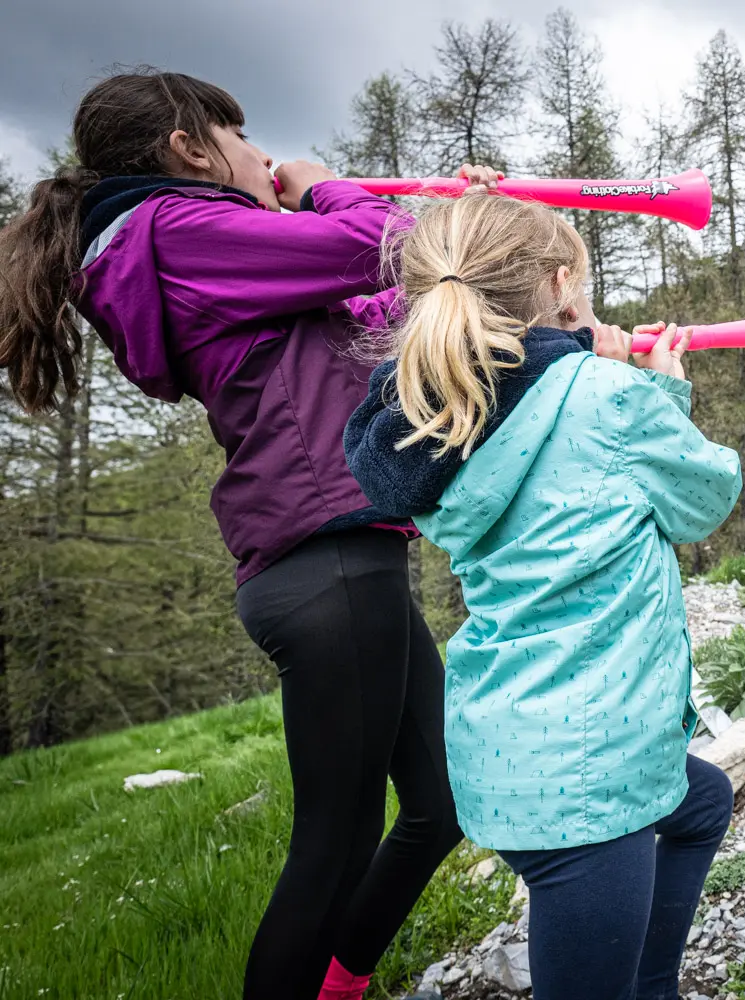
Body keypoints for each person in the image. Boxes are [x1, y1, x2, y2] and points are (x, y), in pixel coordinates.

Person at [0, 70, 497, 1000]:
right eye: (240, 136)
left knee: (439, 805)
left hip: (344, 561)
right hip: (328, 567)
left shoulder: (202, 250)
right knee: (333, 848)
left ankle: (340, 989)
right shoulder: (179, 231)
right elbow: (375, 241)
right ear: (189, 147)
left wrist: (459, 224)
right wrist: (320, 187)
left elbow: (384, 309)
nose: (259, 155)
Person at [344, 193, 742, 1000]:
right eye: (583, 287)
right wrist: (656, 390)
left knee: (702, 803)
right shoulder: (607, 397)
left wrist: (586, 363)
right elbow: (702, 500)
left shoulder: (440, 412)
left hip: (507, 747)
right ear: (562, 285)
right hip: (590, 774)